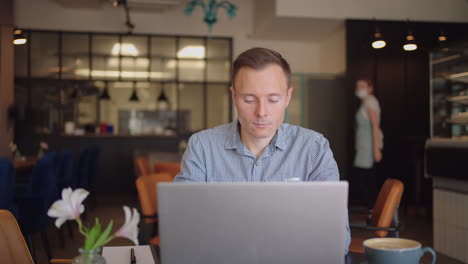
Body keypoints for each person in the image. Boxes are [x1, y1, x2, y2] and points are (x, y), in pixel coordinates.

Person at [175, 47, 351, 254]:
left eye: (273, 99)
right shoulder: (202, 147)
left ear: (287, 97)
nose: (261, 112)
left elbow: (337, 237)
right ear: (234, 96)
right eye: (249, 100)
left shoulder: (314, 149)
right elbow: (182, 227)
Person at [353, 78, 383, 210]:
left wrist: (376, 149)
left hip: (368, 146)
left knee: (366, 179)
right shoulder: (365, 102)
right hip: (363, 146)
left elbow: (375, 126)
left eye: (363, 86)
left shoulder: (370, 101)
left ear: (370, 88)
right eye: (358, 86)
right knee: (364, 178)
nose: (359, 88)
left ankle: (374, 210)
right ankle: (373, 209)